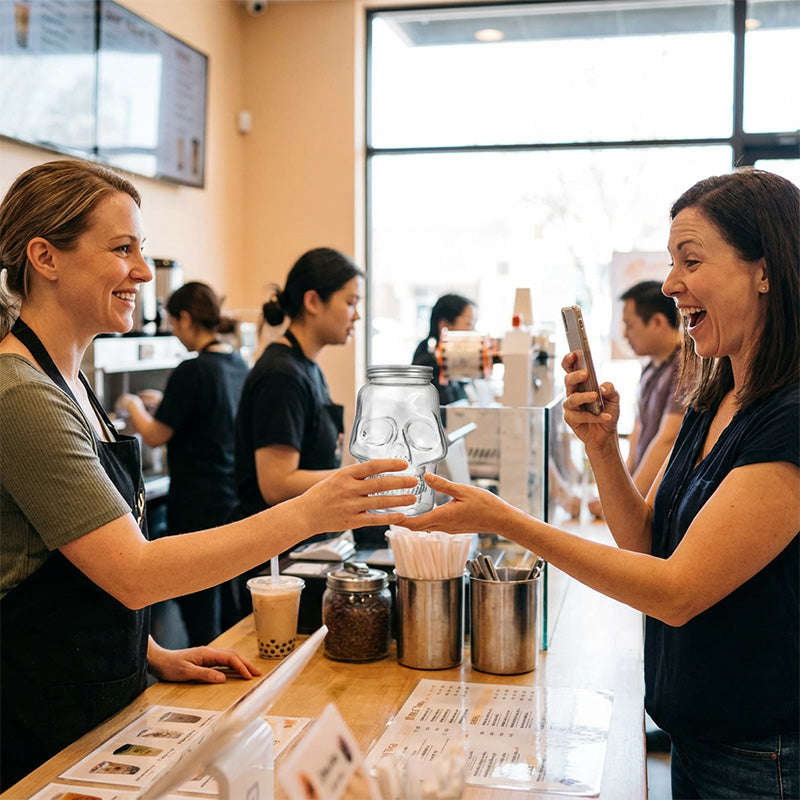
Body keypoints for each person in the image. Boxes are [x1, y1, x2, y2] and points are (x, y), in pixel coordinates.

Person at [0, 160, 415, 789]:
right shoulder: (21, 394)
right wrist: (309, 511)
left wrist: (149, 652)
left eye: (142, 250)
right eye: (122, 249)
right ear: (44, 257)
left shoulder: (70, 383)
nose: (144, 272)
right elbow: (134, 572)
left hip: (96, 704)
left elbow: (72, 564)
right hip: (36, 724)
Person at [401, 169, 799, 799]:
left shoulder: (789, 419)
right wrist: (602, 449)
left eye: (691, 261)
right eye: (671, 262)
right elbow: (645, 542)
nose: (670, 285)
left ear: (765, 271)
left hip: (762, 757)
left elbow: (676, 591)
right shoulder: (714, 397)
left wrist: (506, 520)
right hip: (700, 736)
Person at [117, 281, 249, 646]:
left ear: (186, 318)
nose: (175, 333)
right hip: (231, 498)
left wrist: (132, 406)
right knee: (229, 611)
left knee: (199, 609)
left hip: (196, 504)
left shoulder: (192, 370)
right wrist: (164, 401)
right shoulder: (237, 363)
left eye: (174, 324)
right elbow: (208, 413)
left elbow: (154, 435)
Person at [588, 279, 685, 519]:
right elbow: (638, 432)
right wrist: (622, 494)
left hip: (662, 506)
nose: (624, 334)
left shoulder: (684, 367)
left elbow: (667, 439)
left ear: (657, 322)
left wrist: (627, 505)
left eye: (630, 325)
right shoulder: (650, 369)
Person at [411, 293, 476, 405]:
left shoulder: (455, 364)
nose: (473, 331)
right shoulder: (428, 365)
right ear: (445, 325)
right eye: (468, 323)